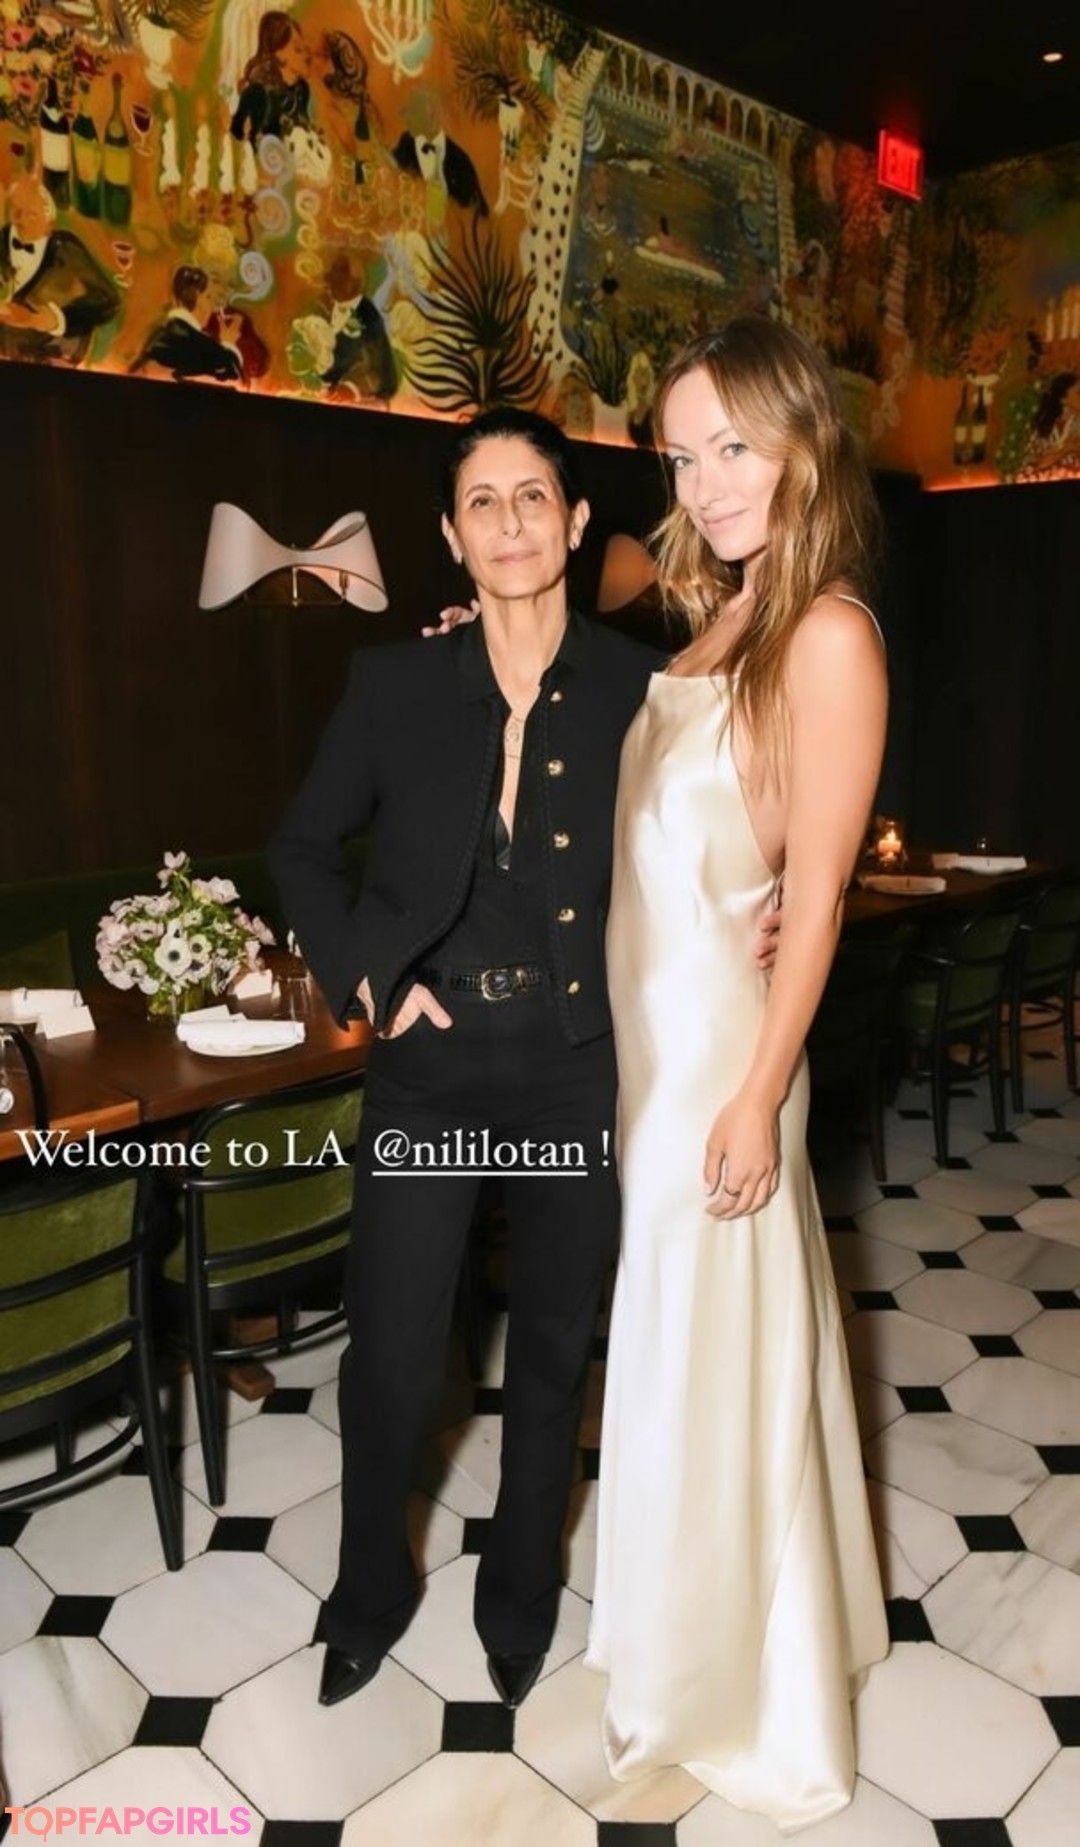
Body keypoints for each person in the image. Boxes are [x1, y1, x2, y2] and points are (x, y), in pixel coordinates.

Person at [269, 408, 661, 1713]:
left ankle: (520, 1597)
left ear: (576, 519)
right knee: (390, 1352)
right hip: (428, 1068)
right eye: (482, 500)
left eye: (532, 494)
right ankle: (367, 1593)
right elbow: (299, 849)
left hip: (572, 1061)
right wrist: (371, 978)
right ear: (450, 535)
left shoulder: (643, 688)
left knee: (550, 1346)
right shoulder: (393, 681)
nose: (509, 520)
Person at [584, 317, 890, 1832]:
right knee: (680, 1356)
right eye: (682, 453)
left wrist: (760, 1090)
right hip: (656, 1055)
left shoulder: (825, 630)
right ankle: (679, 1641)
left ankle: (728, 1692)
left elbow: (817, 896)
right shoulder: (723, 616)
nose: (704, 482)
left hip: (722, 1060)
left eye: (733, 448)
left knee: (707, 1364)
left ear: (801, 446)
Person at [0, 174, 120, 366]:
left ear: (50, 223)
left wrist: (56, 320)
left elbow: (107, 301)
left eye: (32, 214)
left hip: (55, 349)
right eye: (16, 209)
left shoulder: (66, 248)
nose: (22, 220)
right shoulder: (3, 238)